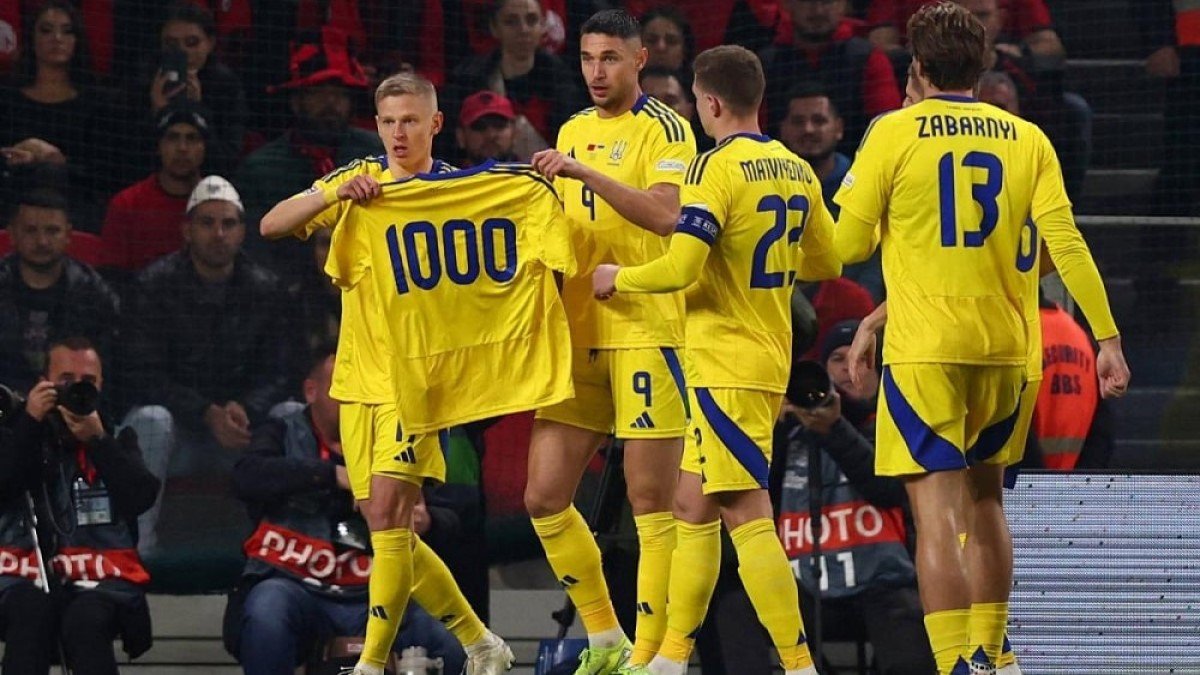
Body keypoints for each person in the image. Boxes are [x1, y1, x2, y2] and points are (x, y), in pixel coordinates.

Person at [831, 4, 1130, 672]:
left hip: (927, 351)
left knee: (935, 509)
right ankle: (994, 654)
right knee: (987, 498)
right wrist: (1107, 337)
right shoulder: (1027, 138)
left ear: (916, 66)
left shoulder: (893, 131)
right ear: (984, 62)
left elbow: (847, 245)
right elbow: (1063, 246)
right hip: (1008, 351)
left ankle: (954, 663)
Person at [259, 72, 562, 675]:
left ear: (435, 124)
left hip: (416, 384)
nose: (399, 133)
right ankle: (480, 641)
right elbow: (272, 224)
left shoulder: (459, 191)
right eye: (389, 121)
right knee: (383, 524)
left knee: (391, 517)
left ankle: (372, 663)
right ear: (377, 125)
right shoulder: (360, 179)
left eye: (410, 121)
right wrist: (335, 195)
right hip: (358, 379)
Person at [592, 44, 842, 675]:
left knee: (746, 513)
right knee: (691, 505)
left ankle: (799, 665)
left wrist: (619, 278)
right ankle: (671, 658)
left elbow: (681, 268)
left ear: (709, 103)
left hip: (727, 363)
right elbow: (827, 260)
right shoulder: (796, 168)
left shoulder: (714, 169)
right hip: (760, 356)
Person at [524, 9, 696, 672]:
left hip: (646, 328)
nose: (597, 71)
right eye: (588, 58)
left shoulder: (666, 127)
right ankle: (606, 638)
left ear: (639, 59)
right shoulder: (572, 129)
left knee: (650, 502)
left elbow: (665, 215)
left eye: (610, 58)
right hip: (578, 333)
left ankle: (652, 657)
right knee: (543, 496)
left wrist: (584, 173)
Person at [228, 348, 467, 674]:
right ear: (311, 391)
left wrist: (428, 521)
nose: (356, 401)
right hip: (297, 587)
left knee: (452, 642)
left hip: (381, 592)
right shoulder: (282, 432)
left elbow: (454, 513)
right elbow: (246, 477)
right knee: (267, 610)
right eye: (343, 389)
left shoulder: (401, 438)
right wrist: (333, 475)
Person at [121, 176, 292, 553]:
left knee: (292, 414)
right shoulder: (153, 286)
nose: (218, 234)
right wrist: (204, 412)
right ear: (187, 230)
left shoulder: (267, 288)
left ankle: (291, 546)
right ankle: (138, 551)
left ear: (243, 231)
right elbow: (141, 373)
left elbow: (280, 372)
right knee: (150, 420)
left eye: (228, 224)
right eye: (207, 223)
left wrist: (245, 408)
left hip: (243, 434)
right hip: (180, 434)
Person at [775, 323, 935, 675]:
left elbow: (888, 490)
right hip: (801, 584)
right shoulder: (791, 430)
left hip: (885, 583)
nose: (850, 369)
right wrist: (776, 430)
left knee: (912, 653)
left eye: (862, 359)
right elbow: (762, 498)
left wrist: (835, 429)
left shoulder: (897, 425)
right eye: (838, 359)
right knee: (743, 607)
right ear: (822, 371)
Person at [0, 337, 159, 675]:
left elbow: (141, 498)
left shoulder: (116, 436)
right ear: (44, 384)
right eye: (66, 381)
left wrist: (98, 441)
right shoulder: (16, 433)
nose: (75, 389)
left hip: (100, 582)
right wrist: (29, 422)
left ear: (100, 386)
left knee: (86, 619)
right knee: (30, 611)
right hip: (21, 579)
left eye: (87, 381)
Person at [235, 27, 380, 271]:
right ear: (296, 102)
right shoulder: (260, 170)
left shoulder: (375, 155)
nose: (331, 103)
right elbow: (254, 251)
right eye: (318, 93)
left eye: (340, 94)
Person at [0, 189, 120, 394]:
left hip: (75, 403)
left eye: (52, 231)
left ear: (68, 235)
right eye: (30, 230)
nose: (42, 241)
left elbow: (112, 367)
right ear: (12, 234)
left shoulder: (95, 294)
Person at [446, 0, 586, 160]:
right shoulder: (468, 81)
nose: (523, 29)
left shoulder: (566, 84)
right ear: (494, 28)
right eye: (511, 22)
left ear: (543, 25)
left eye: (532, 20)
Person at [759, 0, 902, 155]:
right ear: (787, 4)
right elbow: (753, 137)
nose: (818, 11)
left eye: (827, 2)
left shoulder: (869, 59)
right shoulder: (764, 65)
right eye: (807, 2)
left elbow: (890, 132)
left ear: (843, 5)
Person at [139, 1, 246, 175]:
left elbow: (227, 160)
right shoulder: (145, 80)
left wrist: (198, 113)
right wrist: (157, 114)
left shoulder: (226, 85)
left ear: (210, 43)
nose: (183, 52)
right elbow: (129, 155)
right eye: (172, 44)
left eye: (192, 42)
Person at [100, 103, 210, 273]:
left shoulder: (220, 207)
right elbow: (113, 277)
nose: (182, 148)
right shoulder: (127, 204)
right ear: (158, 146)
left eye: (192, 138)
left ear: (204, 148)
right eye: (172, 137)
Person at [455, 90, 520, 167]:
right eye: (479, 127)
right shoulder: (449, 174)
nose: (490, 135)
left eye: (499, 125)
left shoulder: (532, 173)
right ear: (461, 137)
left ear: (515, 133)